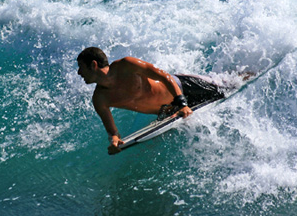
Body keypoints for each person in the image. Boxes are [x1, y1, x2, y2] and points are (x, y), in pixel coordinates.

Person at [76, 46, 226, 155]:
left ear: (94, 65)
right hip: (171, 111)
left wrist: (182, 103)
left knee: (228, 86)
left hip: (185, 87)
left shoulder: (126, 65)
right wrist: (114, 140)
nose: (79, 72)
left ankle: (247, 72)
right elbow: (112, 132)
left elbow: (164, 76)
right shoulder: (100, 99)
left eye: (81, 67)